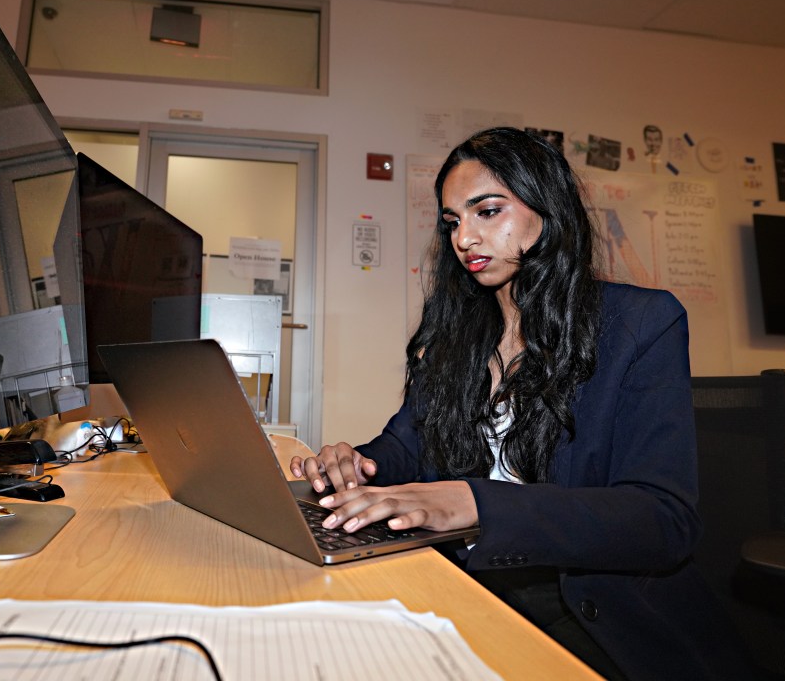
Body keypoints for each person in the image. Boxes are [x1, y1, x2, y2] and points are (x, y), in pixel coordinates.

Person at [291, 127, 750, 680]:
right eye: (454, 221)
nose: (465, 239)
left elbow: (662, 520)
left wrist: (477, 504)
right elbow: (402, 450)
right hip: (468, 585)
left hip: (588, 610)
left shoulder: (639, 324)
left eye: (487, 211)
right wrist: (354, 465)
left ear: (546, 207)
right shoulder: (454, 336)